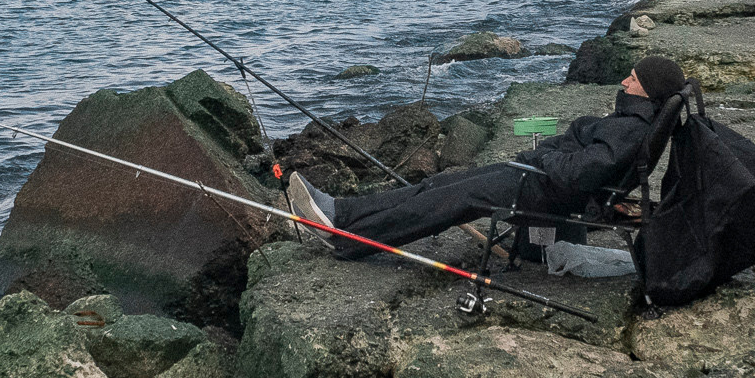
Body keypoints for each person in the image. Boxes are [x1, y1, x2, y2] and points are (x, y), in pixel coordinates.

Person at [287, 58, 690, 255]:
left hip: (540, 189)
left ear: (648, 90)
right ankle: (341, 212)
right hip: (534, 176)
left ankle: (350, 242)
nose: (624, 81)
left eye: (632, 79)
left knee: (443, 202)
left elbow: (579, 174)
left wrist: (542, 154)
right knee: (439, 183)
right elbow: (582, 160)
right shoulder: (632, 121)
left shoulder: (630, 129)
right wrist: (543, 155)